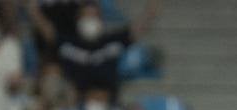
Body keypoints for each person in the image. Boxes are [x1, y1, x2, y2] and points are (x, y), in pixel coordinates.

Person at [28, 0, 158, 98]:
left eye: (93, 16)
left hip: (107, 105)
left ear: (101, 20)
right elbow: (47, 31)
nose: (90, 20)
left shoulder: (113, 42)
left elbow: (140, 27)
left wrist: (153, 7)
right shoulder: (69, 44)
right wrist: (32, 7)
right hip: (76, 106)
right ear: (78, 20)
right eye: (86, 16)